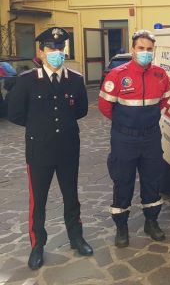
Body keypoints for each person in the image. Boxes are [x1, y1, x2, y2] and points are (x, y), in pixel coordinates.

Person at [7, 27, 92, 270]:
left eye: (61, 48)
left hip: (67, 150)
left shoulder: (75, 80)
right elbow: (15, 114)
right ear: (41, 52)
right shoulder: (26, 81)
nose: (57, 52)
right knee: (38, 201)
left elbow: (81, 110)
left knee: (71, 197)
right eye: (52, 48)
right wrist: (39, 127)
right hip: (39, 150)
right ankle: (37, 245)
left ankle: (76, 237)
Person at [98, 30, 170, 248]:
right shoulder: (117, 74)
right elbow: (105, 107)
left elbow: (164, 101)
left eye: (149, 49)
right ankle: (122, 226)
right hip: (124, 139)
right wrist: (126, 126)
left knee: (152, 180)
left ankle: (151, 222)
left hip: (150, 137)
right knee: (123, 181)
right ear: (133, 50)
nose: (145, 53)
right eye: (141, 48)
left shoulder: (160, 75)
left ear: (153, 50)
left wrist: (145, 124)